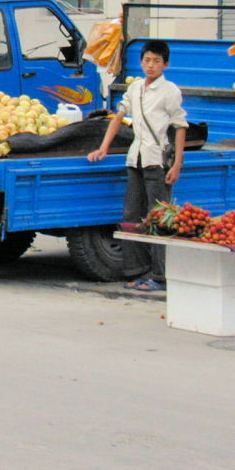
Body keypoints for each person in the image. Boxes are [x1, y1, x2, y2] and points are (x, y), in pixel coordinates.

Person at [87, 39, 188, 292]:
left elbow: (180, 127)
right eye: (146, 60)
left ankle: (160, 276)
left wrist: (177, 164)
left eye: (156, 61)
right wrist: (104, 147)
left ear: (166, 64)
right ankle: (137, 270)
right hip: (135, 160)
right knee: (132, 218)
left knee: (158, 219)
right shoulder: (135, 89)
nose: (150, 65)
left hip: (156, 162)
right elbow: (118, 118)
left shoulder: (170, 91)